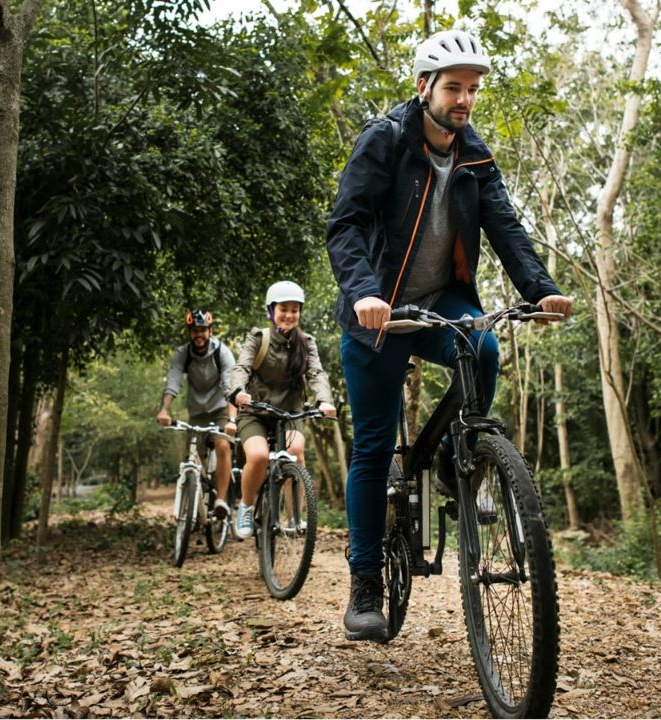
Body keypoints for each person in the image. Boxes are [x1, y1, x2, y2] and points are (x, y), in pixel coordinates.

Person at [326, 30, 574, 642]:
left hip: (444, 298)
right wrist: (364, 292)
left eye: (472, 90)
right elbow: (347, 224)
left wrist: (538, 288)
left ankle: (450, 456)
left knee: (483, 347)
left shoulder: (475, 154)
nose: (464, 100)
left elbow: (506, 227)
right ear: (424, 88)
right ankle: (364, 584)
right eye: (453, 88)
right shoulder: (384, 139)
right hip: (376, 312)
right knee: (375, 445)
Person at [227, 280, 338, 539]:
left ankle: (294, 516)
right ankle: (246, 506)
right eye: (283, 309)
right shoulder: (258, 338)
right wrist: (237, 393)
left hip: (289, 412)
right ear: (271, 311)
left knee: (296, 452)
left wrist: (324, 400)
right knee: (258, 456)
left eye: (294, 310)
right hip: (254, 410)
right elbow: (241, 367)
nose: (289, 315)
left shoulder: (306, 342)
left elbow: (316, 373)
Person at [157, 308, 238, 519]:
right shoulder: (183, 354)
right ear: (189, 333)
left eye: (202, 330)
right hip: (197, 411)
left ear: (210, 331)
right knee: (195, 455)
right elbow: (173, 381)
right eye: (194, 330)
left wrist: (231, 419)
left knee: (222, 445)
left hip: (220, 408)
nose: (198, 335)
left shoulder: (222, 352)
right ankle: (198, 492)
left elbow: (230, 388)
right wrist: (165, 409)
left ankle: (221, 500)